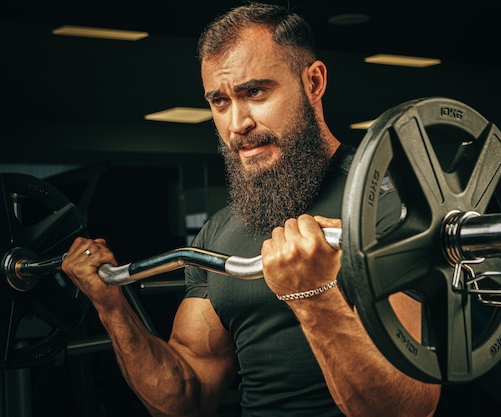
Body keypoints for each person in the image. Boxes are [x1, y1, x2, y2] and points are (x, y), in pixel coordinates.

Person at [62, 2, 441, 416]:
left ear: (313, 82)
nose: (237, 123)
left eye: (254, 92)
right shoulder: (220, 232)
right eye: (220, 101)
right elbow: (187, 396)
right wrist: (112, 307)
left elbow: (409, 408)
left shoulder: (392, 206)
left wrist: (313, 294)